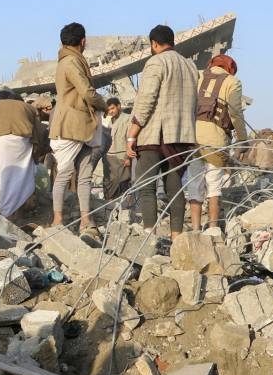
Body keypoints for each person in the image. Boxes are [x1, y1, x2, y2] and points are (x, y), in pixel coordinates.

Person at [125, 24, 198, 237]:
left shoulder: (156, 62)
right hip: (181, 136)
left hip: (155, 134)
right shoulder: (190, 66)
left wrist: (132, 134)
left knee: (147, 186)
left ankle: (150, 235)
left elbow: (146, 100)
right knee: (175, 189)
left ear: (154, 44)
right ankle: (176, 237)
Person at [49, 22, 107, 231]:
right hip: (73, 125)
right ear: (83, 41)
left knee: (84, 175)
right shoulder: (71, 61)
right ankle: (58, 220)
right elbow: (87, 91)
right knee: (65, 174)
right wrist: (104, 104)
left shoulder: (66, 60)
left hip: (82, 127)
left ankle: (85, 219)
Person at [193, 54, 247, 230]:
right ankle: (213, 229)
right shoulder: (232, 82)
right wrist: (243, 140)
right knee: (214, 187)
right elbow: (235, 113)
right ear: (230, 68)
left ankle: (194, 229)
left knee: (195, 185)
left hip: (191, 139)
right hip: (215, 140)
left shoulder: (198, 75)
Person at [0, 91, 40, 220]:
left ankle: (6, 216)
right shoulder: (29, 108)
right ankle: (17, 215)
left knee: (2, 179)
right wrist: (35, 156)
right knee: (21, 181)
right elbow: (36, 135)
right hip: (21, 144)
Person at [103, 97, 132, 202]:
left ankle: (128, 206)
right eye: (109, 110)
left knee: (125, 181)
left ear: (119, 106)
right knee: (109, 181)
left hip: (122, 155)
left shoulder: (127, 118)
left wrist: (128, 157)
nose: (111, 112)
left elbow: (130, 138)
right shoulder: (110, 121)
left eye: (112, 108)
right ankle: (108, 204)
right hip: (108, 155)